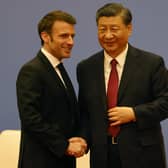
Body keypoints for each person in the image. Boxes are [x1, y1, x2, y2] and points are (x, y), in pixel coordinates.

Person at [77, 2, 168, 168]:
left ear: (129, 28)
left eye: (114, 28)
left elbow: (166, 102)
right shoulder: (86, 68)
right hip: (102, 157)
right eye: (102, 29)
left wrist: (134, 113)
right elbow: (85, 112)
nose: (108, 35)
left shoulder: (152, 63)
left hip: (143, 156)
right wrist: (83, 139)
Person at [16, 10, 87, 168]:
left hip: (62, 161)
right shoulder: (32, 70)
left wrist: (80, 138)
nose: (71, 42)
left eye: (72, 36)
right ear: (45, 37)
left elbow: (69, 115)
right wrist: (64, 145)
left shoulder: (59, 68)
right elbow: (31, 119)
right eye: (64, 36)